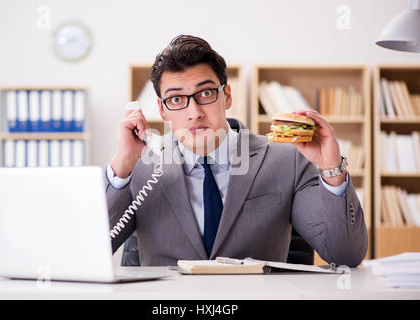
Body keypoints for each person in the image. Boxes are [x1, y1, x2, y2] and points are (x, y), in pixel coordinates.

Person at [105, 35, 367, 267]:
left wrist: (332, 169)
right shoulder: (140, 167)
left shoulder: (288, 161)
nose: (194, 113)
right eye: (176, 99)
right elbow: (93, 251)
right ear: (161, 110)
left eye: (206, 93)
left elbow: (345, 256)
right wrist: (122, 165)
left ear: (227, 96)